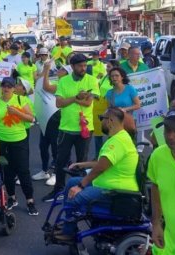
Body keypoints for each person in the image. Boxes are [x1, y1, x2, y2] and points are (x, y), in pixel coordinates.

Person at [54, 107, 139, 241]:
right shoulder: (118, 137)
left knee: (75, 195)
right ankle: (68, 225)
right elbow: (104, 162)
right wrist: (82, 164)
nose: (100, 122)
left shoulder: (118, 141)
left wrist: (81, 186)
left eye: (101, 119)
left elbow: (101, 167)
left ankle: (69, 231)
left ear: (110, 121)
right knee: (71, 183)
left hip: (115, 190)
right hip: (107, 184)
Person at [42, 54, 100, 202]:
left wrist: (75, 99)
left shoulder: (92, 80)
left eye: (84, 65)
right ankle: (58, 190)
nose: (83, 68)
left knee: (81, 161)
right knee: (61, 161)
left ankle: (79, 190)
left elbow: (88, 103)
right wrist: (76, 97)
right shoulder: (64, 81)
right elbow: (58, 103)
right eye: (80, 65)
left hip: (84, 129)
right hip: (66, 128)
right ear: (72, 67)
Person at [0, 77, 38, 216]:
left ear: (14, 88)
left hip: (18, 140)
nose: (6, 89)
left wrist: (17, 112)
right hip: (1, 140)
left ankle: (30, 201)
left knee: (23, 170)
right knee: (7, 170)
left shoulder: (20, 100)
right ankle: (11, 197)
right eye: (4, 86)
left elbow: (31, 118)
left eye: (9, 86)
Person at [148, 108, 175, 254]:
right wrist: (156, 224)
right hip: (169, 242)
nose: (170, 136)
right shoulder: (157, 156)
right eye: (167, 130)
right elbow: (155, 187)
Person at [32, 62, 69, 182]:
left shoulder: (63, 85)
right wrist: (45, 70)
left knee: (55, 148)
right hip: (46, 119)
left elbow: (45, 87)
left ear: (66, 74)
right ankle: (44, 171)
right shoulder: (56, 81)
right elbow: (39, 80)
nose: (59, 70)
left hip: (56, 119)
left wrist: (47, 69)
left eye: (62, 69)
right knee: (43, 146)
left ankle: (56, 173)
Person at [93, 60, 120, 158]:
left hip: (110, 109)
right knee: (98, 134)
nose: (106, 68)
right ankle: (98, 156)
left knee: (111, 134)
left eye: (109, 67)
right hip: (99, 109)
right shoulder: (105, 77)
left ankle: (110, 156)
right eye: (106, 66)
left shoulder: (116, 80)